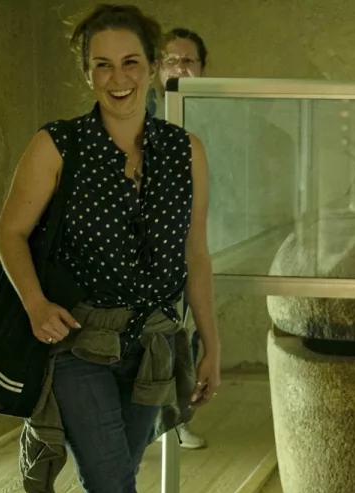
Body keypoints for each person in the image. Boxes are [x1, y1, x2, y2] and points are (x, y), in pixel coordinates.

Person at [0, 4, 220, 493]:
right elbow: (10, 233)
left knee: (116, 473)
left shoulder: (185, 151)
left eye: (130, 62)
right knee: (113, 485)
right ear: (87, 70)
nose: (116, 77)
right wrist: (35, 304)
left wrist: (209, 340)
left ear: (153, 68)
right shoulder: (57, 144)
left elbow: (197, 253)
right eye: (102, 63)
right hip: (78, 344)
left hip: (153, 342)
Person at [154, 27, 209, 448]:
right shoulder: (142, 116)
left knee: (190, 329)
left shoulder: (214, 115)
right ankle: (154, 416)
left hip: (196, 242)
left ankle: (177, 418)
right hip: (151, 251)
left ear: (203, 68)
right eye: (171, 60)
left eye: (188, 61)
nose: (180, 68)